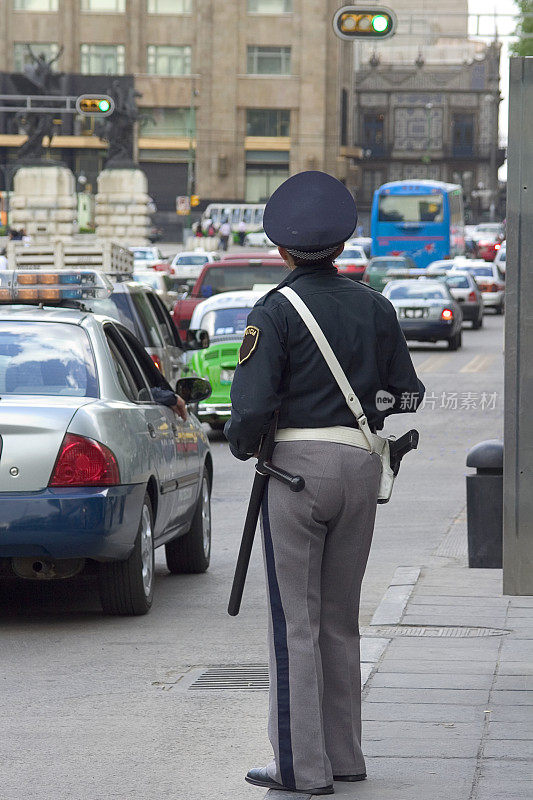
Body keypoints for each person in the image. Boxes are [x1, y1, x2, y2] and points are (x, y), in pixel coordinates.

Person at [225, 171, 425, 795]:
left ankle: (299, 767)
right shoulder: (375, 304)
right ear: (341, 245)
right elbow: (409, 394)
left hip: (295, 471)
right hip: (363, 467)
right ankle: (345, 757)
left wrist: (242, 444)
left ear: (281, 250)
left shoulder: (275, 311)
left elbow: (252, 409)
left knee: (295, 623)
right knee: (340, 619)